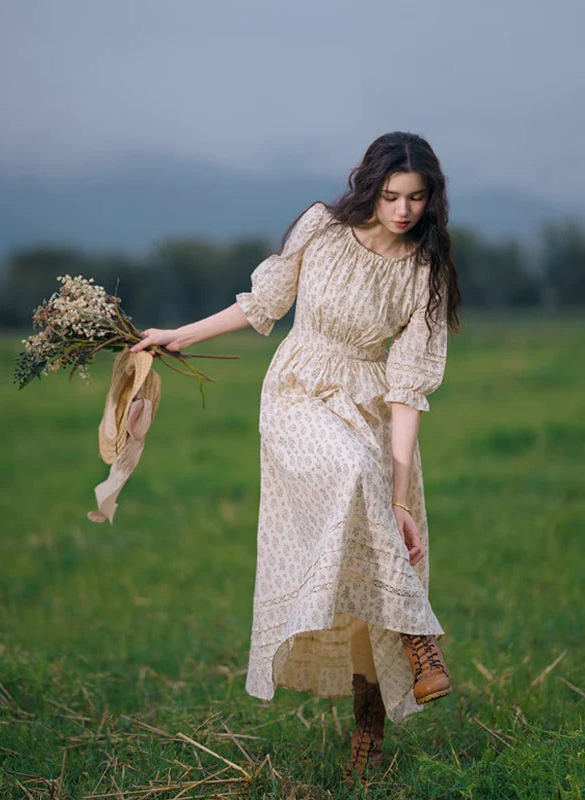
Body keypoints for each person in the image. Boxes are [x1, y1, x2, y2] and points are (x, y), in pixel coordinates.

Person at [130, 131, 462, 786]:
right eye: (393, 196)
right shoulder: (321, 227)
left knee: (362, 553)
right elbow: (263, 305)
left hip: (370, 412)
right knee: (348, 468)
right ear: (370, 186)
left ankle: (369, 725)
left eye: (417, 198)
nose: (403, 211)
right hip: (298, 393)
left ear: (432, 199)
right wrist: (178, 336)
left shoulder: (426, 273)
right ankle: (421, 639)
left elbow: (407, 391)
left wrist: (401, 497)